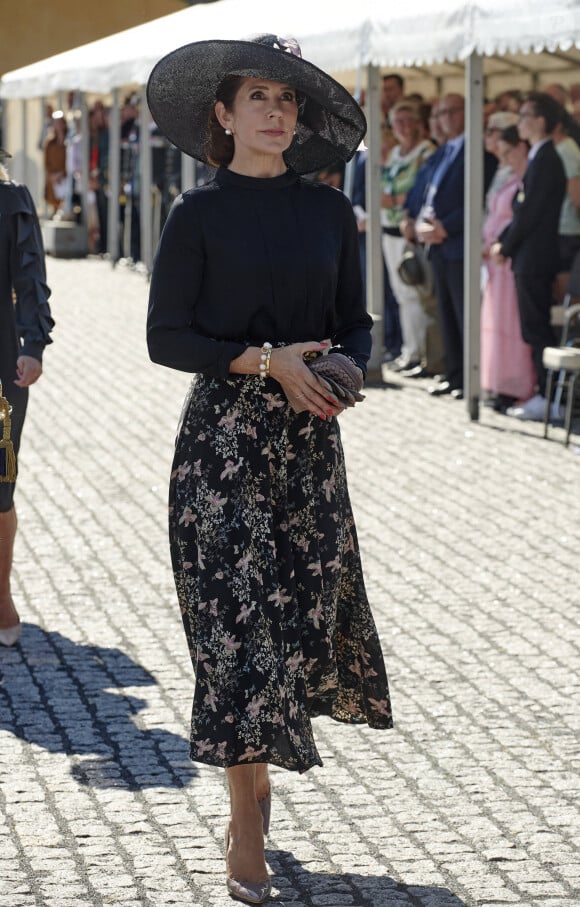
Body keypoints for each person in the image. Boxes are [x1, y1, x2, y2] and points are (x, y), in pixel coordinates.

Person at [146, 34, 392, 906]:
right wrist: (265, 361)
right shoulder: (196, 215)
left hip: (308, 446)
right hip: (221, 448)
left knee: (291, 626)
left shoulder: (331, 213)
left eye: (287, 99)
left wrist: (341, 368)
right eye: (258, 97)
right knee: (235, 631)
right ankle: (245, 812)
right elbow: (165, 338)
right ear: (223, 115)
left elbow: (358, 324)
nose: (276, 111)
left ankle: (255, 779)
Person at [0, 148, 54, 647]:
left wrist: (33, 345)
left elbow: (30, 278)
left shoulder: (10, 199)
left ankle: (0, 595)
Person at [491, 92, 567, 421]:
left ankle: (550, 397)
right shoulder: (541, 156)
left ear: (538, 121)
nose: (518, 121)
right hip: (529, 255)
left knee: (537, 330)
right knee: (532, 328)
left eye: (523, 115)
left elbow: (529, 212)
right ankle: (546, 394)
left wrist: (504, 247)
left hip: (535, 257)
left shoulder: (547, 157)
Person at [481, 126, 535, 411]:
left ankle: (516, 386)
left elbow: (520, 219)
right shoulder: (509, 178)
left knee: (511, 326)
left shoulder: (526, 181)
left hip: (509, 259)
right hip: (495, 260)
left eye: (508, 152)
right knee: (496, 324)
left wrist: (501, 244)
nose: (503, 158)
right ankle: (499, 383)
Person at [381, 100, 436, 372]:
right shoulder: (394, 154)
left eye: (407, 120)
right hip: (389, 231)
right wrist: (391, 200)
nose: (402, 126)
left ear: (417, 123)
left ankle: (422, 354)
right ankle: (408, 350)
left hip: (411, 232)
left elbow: (419, 190)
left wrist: (391, 200)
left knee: (416, 292)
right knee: (400, 294)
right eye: (397, 121)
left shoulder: (425, 152)